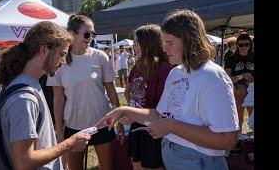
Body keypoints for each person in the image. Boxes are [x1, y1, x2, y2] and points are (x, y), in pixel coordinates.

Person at [97, 9, 239, 170]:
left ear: (190, 40)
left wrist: (172, 126)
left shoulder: (212, 77)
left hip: (201, 161)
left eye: (170, 43)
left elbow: (227, 139)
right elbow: (159, 115)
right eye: (163, 43)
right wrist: (125, 110)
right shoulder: (176, 72)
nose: (164, 49)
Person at [0, 21, 91, 170]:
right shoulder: (24, 99)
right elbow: (24, 162)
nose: (63, 62)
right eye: (62, 54)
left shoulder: (30, 85)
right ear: (44, 50)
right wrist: (69, 144)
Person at [47, 14, 120, 170]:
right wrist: (59, 130)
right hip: (73, 125)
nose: (91, 38)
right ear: (72, 34)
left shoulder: (100, 57)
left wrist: (118, 115)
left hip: (102, 123)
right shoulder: (60, 60)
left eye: (93, 34)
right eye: (87, 34)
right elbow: (58, 98)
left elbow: (111, 89)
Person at [121, 24, 173, 170]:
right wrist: (131, 109)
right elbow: (128, 90)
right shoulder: (137, 67)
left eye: (138, 42)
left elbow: (165, 109)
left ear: (149, 43)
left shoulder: (164, 70)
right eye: (134, 42)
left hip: (153, 131)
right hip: (135, 128)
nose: (134, 46)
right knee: (136, 165)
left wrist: (136, 115)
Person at [224, 33, 254, 134]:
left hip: (252, 89)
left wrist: (251, 78)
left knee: (253, 116)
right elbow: (226, 79)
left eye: (246, 44)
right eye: (241, 45)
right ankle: (239, 139)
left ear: (250, 45)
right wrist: (240, 76)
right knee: (238, 116)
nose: (244, 47)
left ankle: (250, 140)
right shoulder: (231, 59)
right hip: (238, 90)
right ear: (237, 45)